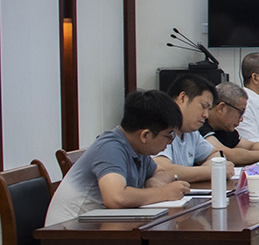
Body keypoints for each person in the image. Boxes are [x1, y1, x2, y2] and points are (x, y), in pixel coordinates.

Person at [45, 90, 191, 224]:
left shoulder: (137, 147)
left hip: (101, 225)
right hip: (69, 232)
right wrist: (162, 193)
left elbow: (160, 172)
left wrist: (154, 182)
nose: (170, 143)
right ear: (145, 135)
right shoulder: (110, 148)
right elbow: (115, 198)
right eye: (169, 136)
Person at [153, 73, 234, 184]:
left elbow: (215, 154)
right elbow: (163, 171)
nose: (206, 115)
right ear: (183, 98)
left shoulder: (190, 132)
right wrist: (212, 171)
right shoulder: (158, 124)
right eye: (203, 106)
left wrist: (208, 169)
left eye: (209, 110)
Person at [201, 81, 259, 166]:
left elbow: (251, 146)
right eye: (240, 113)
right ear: (221, 108)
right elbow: (224, 154)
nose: (241, 119)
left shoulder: (224, 128)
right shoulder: (200, 124)